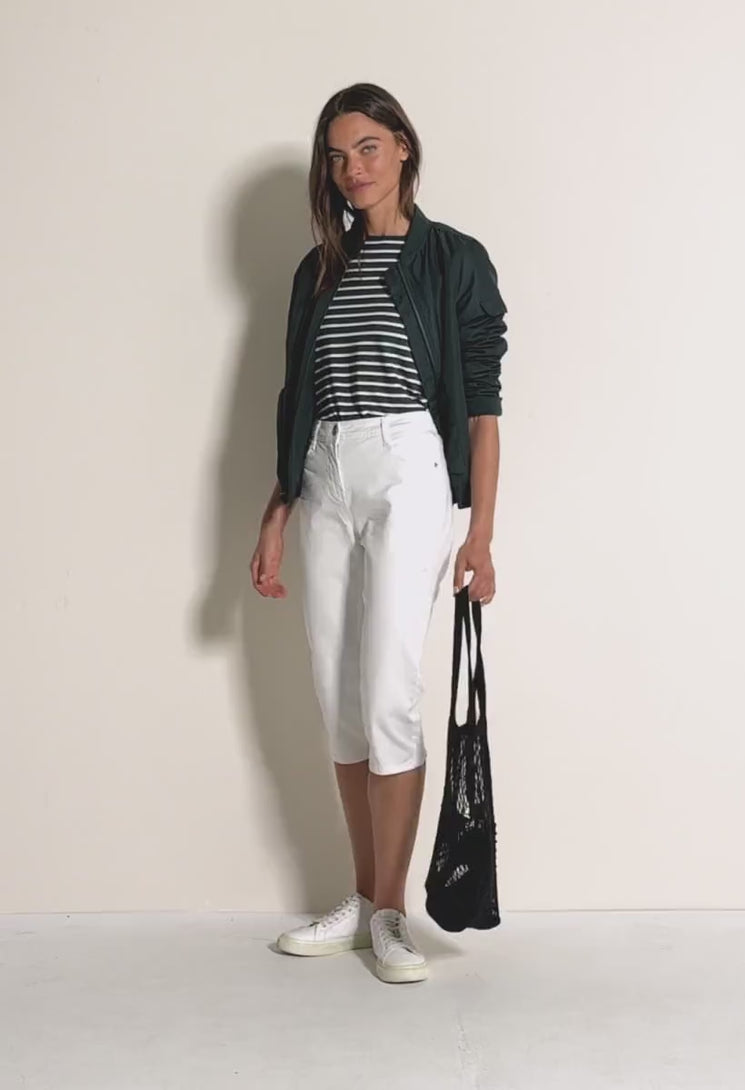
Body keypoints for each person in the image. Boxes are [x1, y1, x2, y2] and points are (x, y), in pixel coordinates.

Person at [250, 82, 507, 984]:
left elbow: (481, 402)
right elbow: (297, 399)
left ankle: (393, 911)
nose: (351, 168)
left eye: (366, 147)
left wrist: (480, 533)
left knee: (390, 688)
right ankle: (363, 901)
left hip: (409, 465)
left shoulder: (451, 258)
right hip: (325, 469)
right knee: (338, 692)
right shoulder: (317, 270)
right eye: (336, 155)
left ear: (402, 146)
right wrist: (277, 511)